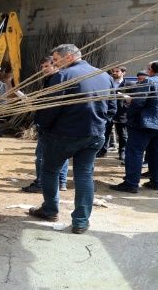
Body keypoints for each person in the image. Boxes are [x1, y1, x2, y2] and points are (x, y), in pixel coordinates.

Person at [28, 44, 115, 234]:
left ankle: (50, 210)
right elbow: (112, 109)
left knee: (50, 171)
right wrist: (99, 125)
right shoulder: (104, 75)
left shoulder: (63, 76)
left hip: (64, 134)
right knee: (84, 175)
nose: (55, 63)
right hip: (94, 134)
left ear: (68, 57)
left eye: (57, 59)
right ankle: (81, 221)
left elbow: (50, 109)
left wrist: (42, 125)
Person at [109, 60, 158, 193]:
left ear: (152, 70)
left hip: (144, 123)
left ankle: (131, 183)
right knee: (156, 152)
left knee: (134, 152)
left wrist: (129, 115)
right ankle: (156, 182)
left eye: (148, 69)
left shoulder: (149, 82)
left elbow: (139, 102)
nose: (147, 71)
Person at [22, 56, 69, 193]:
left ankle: (40, 183)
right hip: (58, 125)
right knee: (61, 154)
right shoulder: (52, 79)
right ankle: (61, 182)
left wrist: (43, 122)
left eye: (46, 66)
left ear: (56, 66)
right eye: (42, 67)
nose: (43, 69)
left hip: (50, 126)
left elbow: (52, 106)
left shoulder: (56, 80)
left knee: (42, 156)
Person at [97, 66, 135, 160]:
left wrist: (125, 104)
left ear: (123, 72)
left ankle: (122, 152)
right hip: (108, 111)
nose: (114, 73)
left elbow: (133, 98)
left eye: (117, 71)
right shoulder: (107, 82)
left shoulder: (129, 84)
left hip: (122, 113)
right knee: (105, 133)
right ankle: (102, 151)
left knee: (123, 134)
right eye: (113, 71)